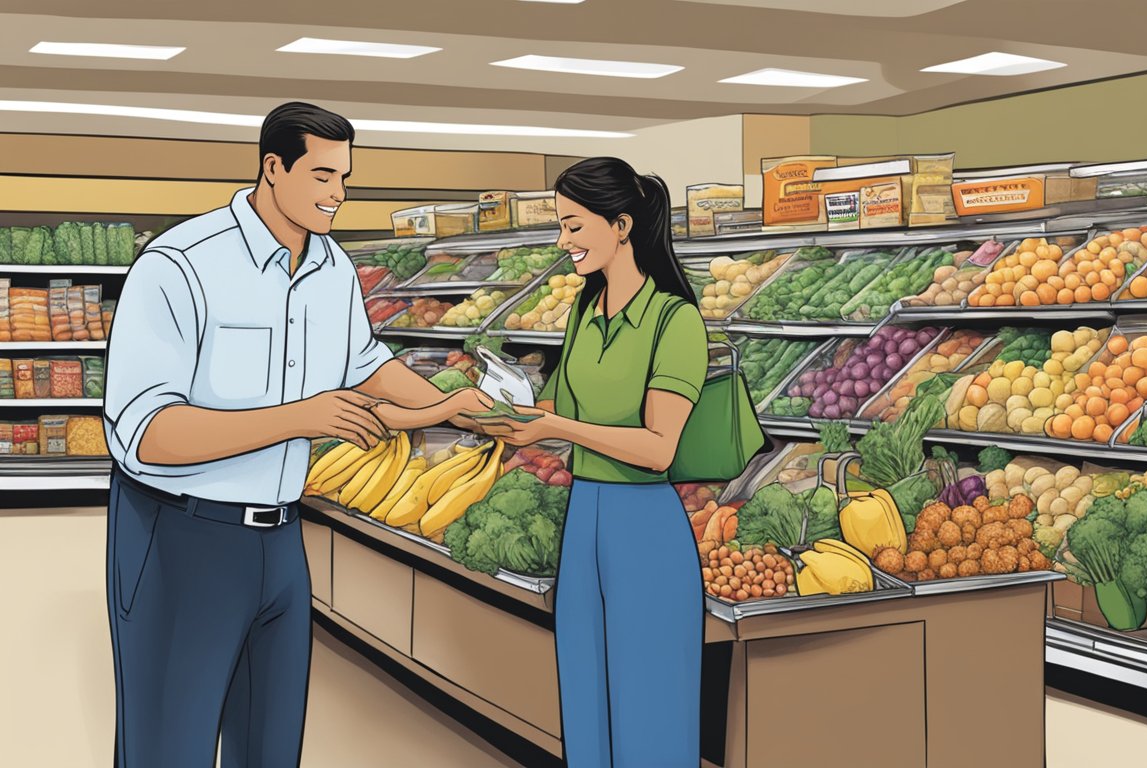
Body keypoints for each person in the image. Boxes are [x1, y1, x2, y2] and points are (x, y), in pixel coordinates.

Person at [102, 101, 491, 767]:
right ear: (272, 168)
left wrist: (457, 410)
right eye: (322, 176)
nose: (338, 195)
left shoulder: (333, 268)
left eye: (345, 178)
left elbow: (366, 366)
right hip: (180, 538)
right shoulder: (179, 264)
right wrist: (301, 417)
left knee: (271, 748)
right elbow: (147, 433)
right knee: (170, 746)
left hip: (280, 543)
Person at [477, 157, 707, 767]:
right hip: (586, 522)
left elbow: (659, 448)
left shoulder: (675, 321)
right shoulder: (585, 309)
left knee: (649, 708)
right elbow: (560, 406)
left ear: (622, 226)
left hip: (646, 529)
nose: (563, 241)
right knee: (586, 697)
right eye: (561, 226)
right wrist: (505, 413)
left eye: (574, 226)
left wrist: (554, 426)